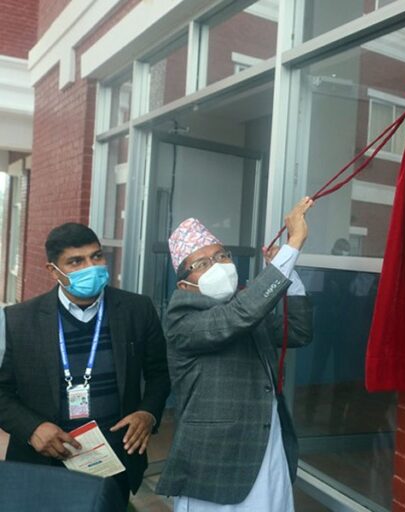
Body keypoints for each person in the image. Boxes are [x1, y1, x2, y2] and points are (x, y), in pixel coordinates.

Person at [156, 197, 314, 511]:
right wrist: (293, 244)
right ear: (185, 285)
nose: (218, 265)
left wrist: (289, 272)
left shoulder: (243, 305)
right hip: (216, 463)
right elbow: (237, 317)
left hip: (265, 445)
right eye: (202, 264)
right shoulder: (181, 318)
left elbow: (297, 331)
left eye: (221, 255)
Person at [0, 223, 171, 506]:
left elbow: (159, 374)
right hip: (41, 466)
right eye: (76, 261)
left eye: (96, 256)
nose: (91, 267)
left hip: (113, 464)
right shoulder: (18, 320)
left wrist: (148, 413)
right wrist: (32, 429)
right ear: (53, 271)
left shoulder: (137, 310)